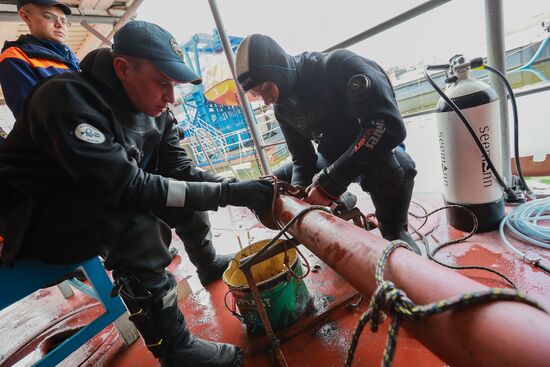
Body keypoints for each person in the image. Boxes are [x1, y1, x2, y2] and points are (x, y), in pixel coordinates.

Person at [0, 21, 275, 366]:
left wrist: (237, 188)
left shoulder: (156, 110)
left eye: (173, 85)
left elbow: (182, 173)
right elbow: (125, 188)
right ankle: (177, 351)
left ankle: (206, 262)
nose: (170, 97)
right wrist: (233, 194)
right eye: (162, 82)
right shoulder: (64, 99)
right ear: (122, 68)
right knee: (134, 222)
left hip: (84, 198)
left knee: (185, 192)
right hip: (28, 219)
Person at [235, 34, 420, 254]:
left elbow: (387, 126)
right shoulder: (282, 109)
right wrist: (301, 197)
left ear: (279, 70)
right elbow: (301, 160)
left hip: (372, 150)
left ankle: (394, 231)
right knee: (271, 186)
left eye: (266, 88)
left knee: (396, 169)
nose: (266, 100)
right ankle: (342, 201)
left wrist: (331, 182)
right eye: (257, 95)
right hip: (331, 157)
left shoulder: (335, 65)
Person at [0, 0, 79, 121]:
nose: (59, 24)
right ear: (26, 16)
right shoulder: (16, 56)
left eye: (63, 20)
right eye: (48, 16)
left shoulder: (71, 58)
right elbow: (35, 116)